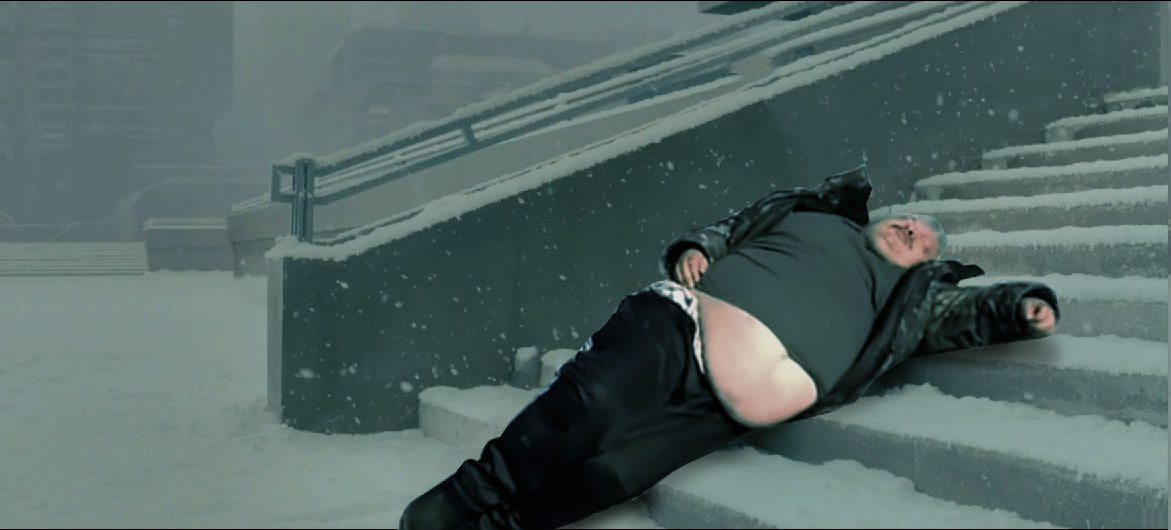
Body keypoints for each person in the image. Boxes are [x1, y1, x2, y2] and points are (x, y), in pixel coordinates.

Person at [399, 165, 1059, 530]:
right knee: (591, 406)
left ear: (925, 265)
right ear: (884, 217)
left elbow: (967, 314)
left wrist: (1021, 308)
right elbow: (729, 229)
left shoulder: (904, 306)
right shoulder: (811, 214)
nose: (912, 231)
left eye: (923, 241)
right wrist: (696, 247)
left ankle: (502, 528)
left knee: (615, 475)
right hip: (679, 323)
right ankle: (468, 494)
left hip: (723, 410)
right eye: (908, 222)